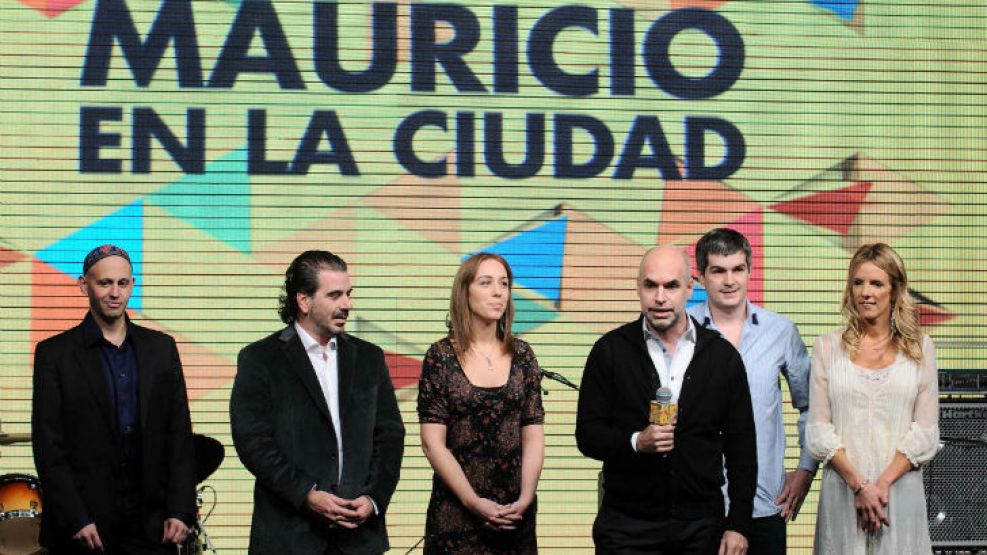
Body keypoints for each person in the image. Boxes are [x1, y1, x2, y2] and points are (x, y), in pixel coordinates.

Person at [576, 245, 757, 555]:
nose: (660, 297)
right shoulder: (609, 351)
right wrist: (636, 441)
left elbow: (742, 448)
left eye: (671, 286)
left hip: (702, 527)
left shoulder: (722, 356)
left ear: (689, 288)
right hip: (626, 528)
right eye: (651, 285)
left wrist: (738, 524)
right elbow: (588, 436)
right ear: (638, 288)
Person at [230, 250, 405, 555]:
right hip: (289, 538)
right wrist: (307, 494)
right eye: (335, 295)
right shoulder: (260, 359)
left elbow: (390, 436)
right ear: (303, 301)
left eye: (349, 294)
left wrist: (373, 499)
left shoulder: (369, 358)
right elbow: (253, 442)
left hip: (359, 538)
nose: (347, 304)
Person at [32, 244, 196, 554]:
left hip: (152, 525)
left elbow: (179, 435)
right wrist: (75, 518)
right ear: (84, 285)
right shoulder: (54, 354)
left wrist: (180, 508)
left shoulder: (161, 349)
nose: (114, 292)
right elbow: (48, 446)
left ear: (132, 284)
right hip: (85, 527)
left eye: (122, 283)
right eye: (104, 283)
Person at [687, 228, 818, 555]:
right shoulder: (680, 330)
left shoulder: (781, 330)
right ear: (701, 276)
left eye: (737, 269)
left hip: (763, 506)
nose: (729, 280)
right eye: (718, 270)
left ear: (749, 270)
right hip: (695, 506)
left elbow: (812, 407)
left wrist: (805, 469)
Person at [806, 243, 939, 554]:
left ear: (894, 290)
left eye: (876, 283)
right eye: (858, 282)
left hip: (899, 494)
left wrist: (880, 486)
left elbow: (926, 433)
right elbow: (818, 433)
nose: (865, 292)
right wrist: (860, 486)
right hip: (843, 493)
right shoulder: (827, 348)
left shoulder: (920, 348)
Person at [417, 252, 545, 554]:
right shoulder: (440, 357)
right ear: (465, 291)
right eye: (486, 283)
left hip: (515, 513)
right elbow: (432, 443)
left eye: (504, 283)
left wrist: (526, 498)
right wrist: (473, 502)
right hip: (457, 514)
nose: (498, 291)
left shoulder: (523, 355)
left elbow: (533, 435)